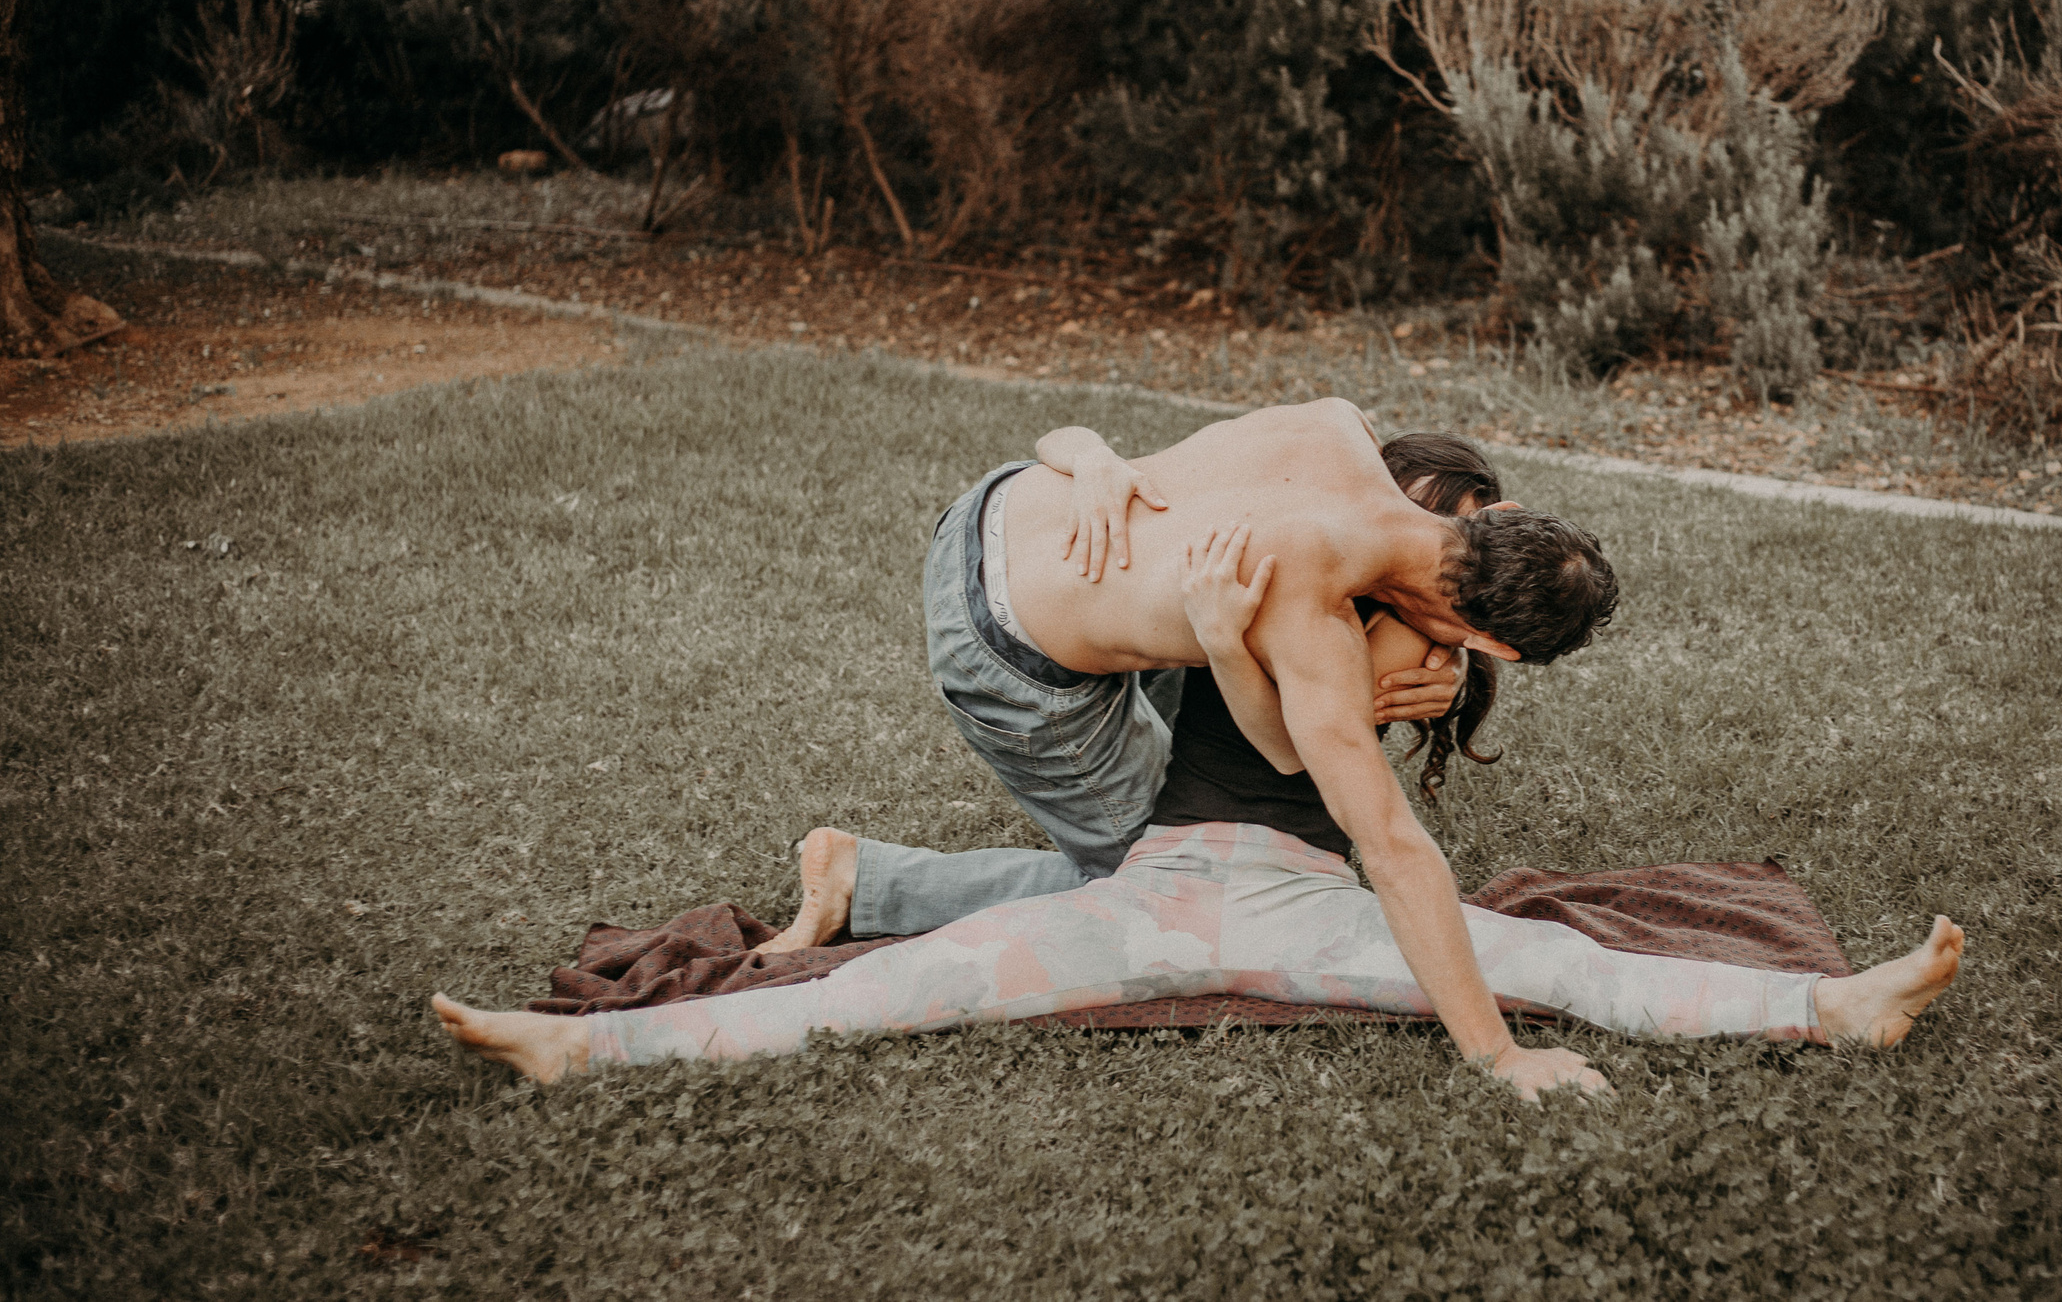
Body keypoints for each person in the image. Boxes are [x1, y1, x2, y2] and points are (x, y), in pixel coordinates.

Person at [432, 516, 1964, 1090]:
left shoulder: (1413, 669)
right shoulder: (1286, 604)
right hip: (1152, 894)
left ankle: (1833, 1009)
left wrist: (1496, 1055)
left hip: (1304, 914)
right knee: (883, 997)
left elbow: (1392, 843)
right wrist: (1232, 628)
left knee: (1562, 962)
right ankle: (583, 1046)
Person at [763, 398, 1617, 1100]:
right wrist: (1498, 1054)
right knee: (1167, 879)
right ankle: (865, 881)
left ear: (1498, 517)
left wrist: (1093, 460)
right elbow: (1382, 839)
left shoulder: (1335, 424)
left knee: (1184, 835)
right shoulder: (1313, 604)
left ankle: (864, 877)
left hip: (993, 512)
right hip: (1009, 655)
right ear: (1502, 645)